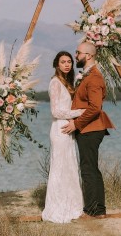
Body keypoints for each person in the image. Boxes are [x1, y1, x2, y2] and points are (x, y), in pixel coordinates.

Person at [62, 42, 115, 219]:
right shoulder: (87, 75)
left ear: (89, 55)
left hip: (90, 129)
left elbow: (95, 108)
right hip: (87, 129)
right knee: (90, 168)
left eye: (78, 53)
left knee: (88, 169)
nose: (75, 56)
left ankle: (95, 211)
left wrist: (76, 125)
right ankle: (97, 209)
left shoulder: (94, 78)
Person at [42, 51, 85, 223]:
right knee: (59, 167)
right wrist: (79, 112)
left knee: (70, 166)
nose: (67, 64)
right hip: (60, 128)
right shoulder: (54, 82)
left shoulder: (67, 82)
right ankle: (56, 207)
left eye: (69, 62)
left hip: (68, 128)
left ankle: (73, 204)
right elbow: (55, 111)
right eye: (63, 62)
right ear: (56, 64)